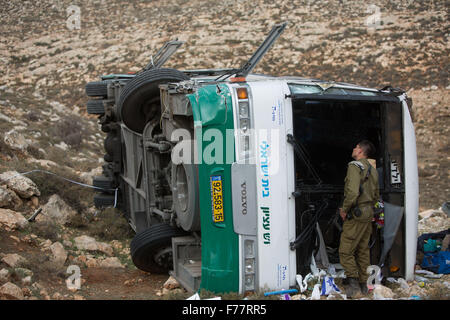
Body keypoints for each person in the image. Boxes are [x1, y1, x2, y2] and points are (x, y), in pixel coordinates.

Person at [338, 140, 379, 297]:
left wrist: (345, 209)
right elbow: (376, 195)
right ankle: (364, 285)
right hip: (368, 213)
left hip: (356, 213)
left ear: (360, 150)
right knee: (363, 250)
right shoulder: (372, 169)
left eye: (355, 147)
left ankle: (353, 286)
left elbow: (353, 192)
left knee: (345, 249)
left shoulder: (354, 167)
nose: (354, 149)